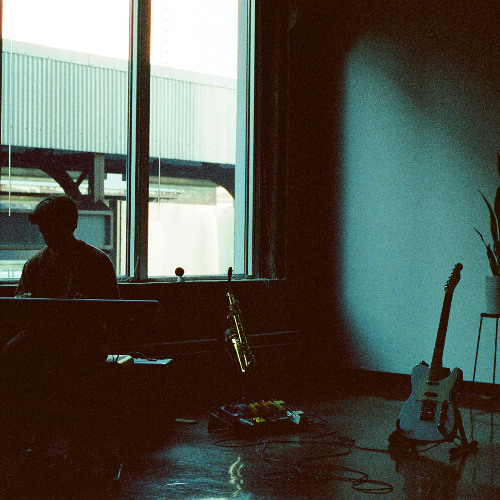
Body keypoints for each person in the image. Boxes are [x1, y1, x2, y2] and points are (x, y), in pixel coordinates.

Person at [0, 195, 120, 457]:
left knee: (66, 360)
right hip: (45, 334)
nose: (46, 235)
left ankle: (67, 438)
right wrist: (25, 301)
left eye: (52, 228)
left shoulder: (96, 262)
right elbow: (20, 309)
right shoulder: (36, 264)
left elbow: (112, 313)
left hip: (85, 334)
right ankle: (23, 434)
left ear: (69, 226)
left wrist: (90, 309)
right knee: (11, 353)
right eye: (44, 229)